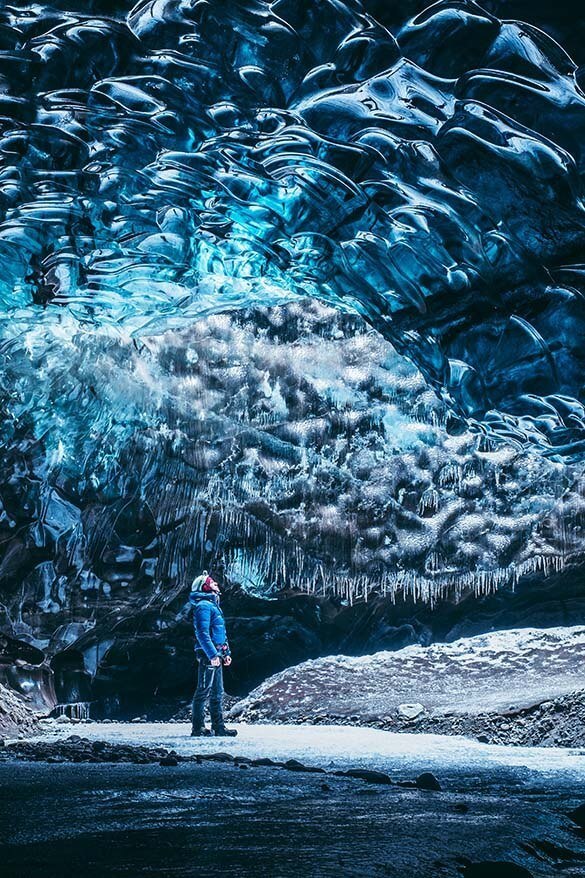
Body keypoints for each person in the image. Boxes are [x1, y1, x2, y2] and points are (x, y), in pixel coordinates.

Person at [189, 572, 237, 737]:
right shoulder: (203, 605)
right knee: (203, 691)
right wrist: (211, 655)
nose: (216, 583)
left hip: (216, 654)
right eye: (212, 582)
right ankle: (198, 727)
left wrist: (226, 653)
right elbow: (202, 634)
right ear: (205, 586)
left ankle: (219, 727)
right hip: (208, 655)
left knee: (217, 692)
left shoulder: (213, 605)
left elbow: (220, 633)